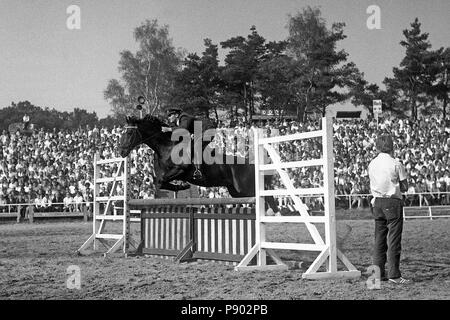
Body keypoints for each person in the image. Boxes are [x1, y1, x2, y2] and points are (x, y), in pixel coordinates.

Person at [368, 134, 410, 285]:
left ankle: (377, 275)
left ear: (378, 147)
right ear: (392, 147)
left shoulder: (372, 163)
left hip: (377, 202)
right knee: (393, 240)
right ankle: (394, 274)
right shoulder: (396, 163)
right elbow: (404, 187)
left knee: (379, 240)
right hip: (392, 201)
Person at [162, 107, 215, 180]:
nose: (168, 118)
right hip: (200, 132)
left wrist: (168, 129)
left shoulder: (184, 117)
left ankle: (198, 171)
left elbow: (183, 129)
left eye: (170, 115)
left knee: (196, 146)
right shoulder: (176, 122)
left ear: (176, 115)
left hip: (208, 130)